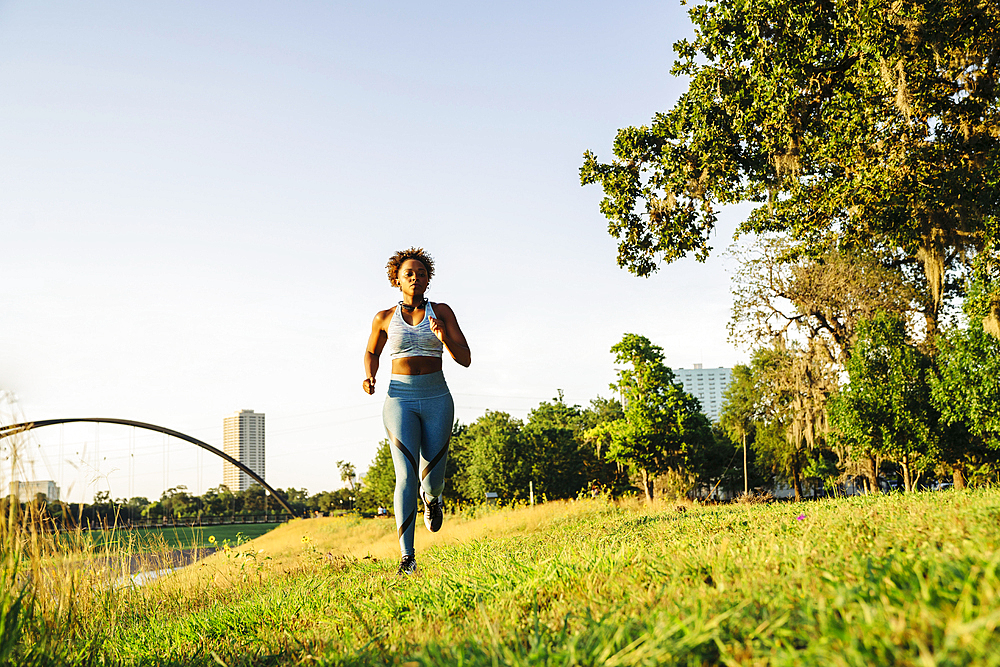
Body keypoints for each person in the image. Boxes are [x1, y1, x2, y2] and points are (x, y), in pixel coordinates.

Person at [363, 247, 471, 575]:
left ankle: (434, 499)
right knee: (405, 474)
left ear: (428, 279)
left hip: (437, 397)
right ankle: (407, 557)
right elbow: (371, 351)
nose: (415, 277)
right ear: (396, 279)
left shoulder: (442, 312)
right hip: (399, 400)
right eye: (408, 273)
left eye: (421, 273)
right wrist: (370, 374)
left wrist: (443, 338)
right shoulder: (383, 318)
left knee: (433, 479)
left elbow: (465, 358)